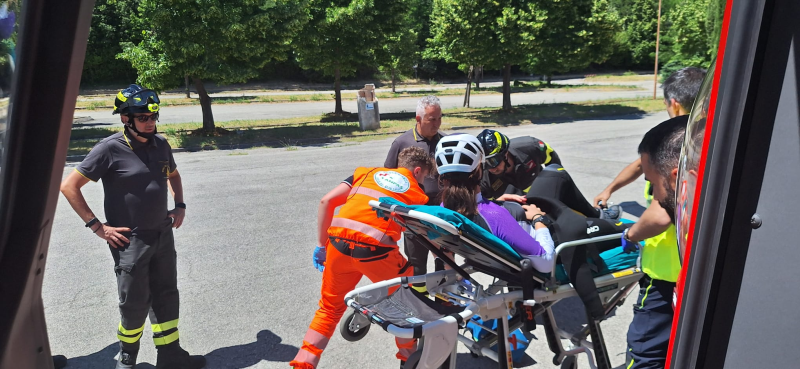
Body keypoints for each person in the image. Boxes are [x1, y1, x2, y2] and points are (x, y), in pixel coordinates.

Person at [60, 85, 205, 369]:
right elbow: (69, 186)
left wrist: (180, 205)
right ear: (126, 118)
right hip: (131, 242)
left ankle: (170, 356)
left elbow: (173, 175)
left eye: (153, 116)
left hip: (162, 234)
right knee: (134, 302)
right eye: (143, 117)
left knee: (166, 295)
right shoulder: (109, 148)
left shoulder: (160, 144)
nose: (150, 121)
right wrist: (98, 227)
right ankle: (128, 359)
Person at [291, 147, 435, 369]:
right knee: (404, 304)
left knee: (329, 309)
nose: (424, 180)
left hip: (337, 246)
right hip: (375, 253)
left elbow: (326, 201)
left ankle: (304, 361)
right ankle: (408, 360)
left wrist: (321, 246)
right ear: (417, 171)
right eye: (425, 176)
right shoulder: (417, 194)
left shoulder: (365, 173)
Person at [434, 134, 557, 272]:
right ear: (479, 172)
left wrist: (496, 202)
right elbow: (546, 262)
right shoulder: (496, 216)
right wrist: (538, 219)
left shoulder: (443, 210)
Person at [623, 116, 689, 369]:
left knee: (644, 354)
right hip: (682, 280)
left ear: (676, 180)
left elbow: (660, 215)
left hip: (663, 278)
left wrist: (629, 235)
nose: (655, 194)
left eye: (652, 185)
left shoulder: (669, 156)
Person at [476, 129, 621, 220]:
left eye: (493, 161)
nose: (490, 168)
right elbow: (484, 211)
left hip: (545, 193)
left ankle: (598, 216)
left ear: (505, 153)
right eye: (485, 163)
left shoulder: (530, 146)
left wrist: (559, 189)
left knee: (560, 176)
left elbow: (553, 161)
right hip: (519, 211)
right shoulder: (483, 178)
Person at [384, 95, 445, 284]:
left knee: (444, 259)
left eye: (439, 118)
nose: (437, 124)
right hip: (413, 212)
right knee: (416, 264)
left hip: (440, 210)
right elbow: (387, 178)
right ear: (418, 119)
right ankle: (420, 302)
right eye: (432, 119)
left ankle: (444, 300)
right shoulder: (402, 143)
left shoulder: (445, 142)